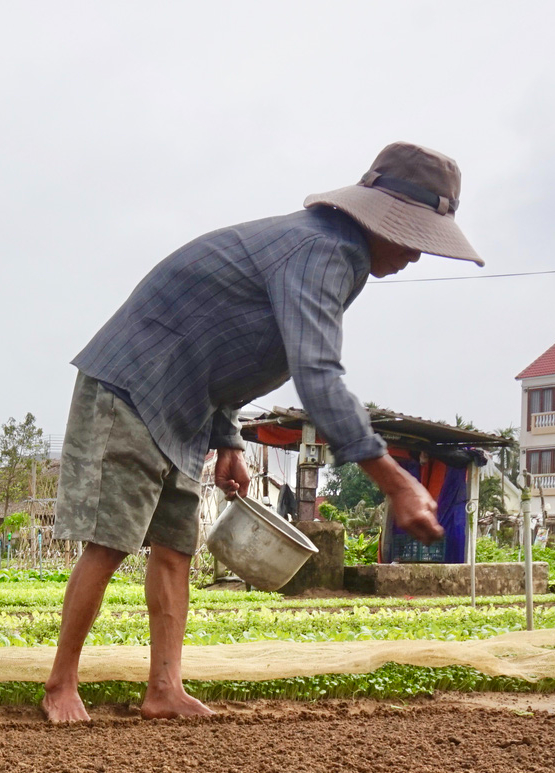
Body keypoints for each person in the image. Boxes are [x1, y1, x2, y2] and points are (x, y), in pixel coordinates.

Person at [42, 142, 480, 725]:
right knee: (111, 538)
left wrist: (226, 437)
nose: (416, 256)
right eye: (414, 238)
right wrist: (395, 482)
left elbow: (221, 336)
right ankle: (60, 683)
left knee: (175, 545)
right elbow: (317, 374)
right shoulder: (321, 251)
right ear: (383, 218)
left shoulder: (334, 256)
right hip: (133, 386)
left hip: (187, 404)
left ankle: (164, 689)